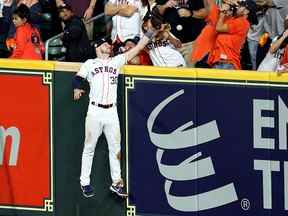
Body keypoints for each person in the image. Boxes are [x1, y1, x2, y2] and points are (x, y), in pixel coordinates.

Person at [72, 27, 157, 198]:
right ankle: (85, 182)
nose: (108, 46)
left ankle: (117, 183)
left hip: (111, 111)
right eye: (105, 44)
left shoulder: (116, 61)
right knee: (89, 147)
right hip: (95, 110)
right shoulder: (90, 63)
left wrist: (150, 33)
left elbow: (139, 47)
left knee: (115, 148)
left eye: (109, 44)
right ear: (97, 47)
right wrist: (77, 88)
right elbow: (77, 78)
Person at [207, 0, 257, 70]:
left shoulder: (243, 22)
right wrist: (227, 8)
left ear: (246, 11)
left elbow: (219, 28)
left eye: (241, 6)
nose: (238, 7)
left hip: (227, 62)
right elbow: (215, 25)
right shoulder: (234, 19)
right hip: (220, 61)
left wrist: (223, 12)